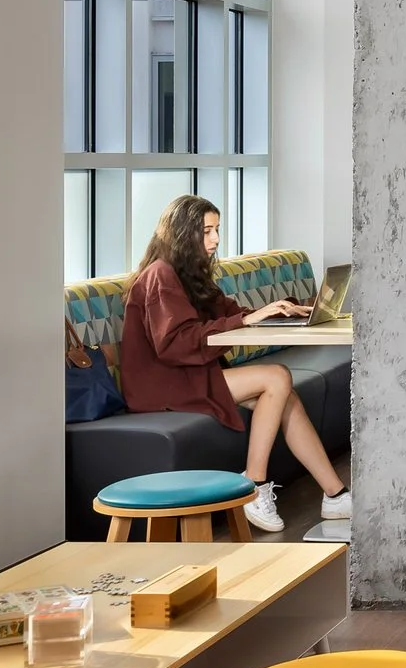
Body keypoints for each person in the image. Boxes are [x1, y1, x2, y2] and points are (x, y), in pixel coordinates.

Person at [120, 194, 352, 531]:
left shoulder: (189, 273)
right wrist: (246, 321)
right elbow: (174, 344)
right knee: (277, 376)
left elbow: (229, 314)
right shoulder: (160, 275)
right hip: (163, 385)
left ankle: (335, 495)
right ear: (183, 234)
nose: (215, 239)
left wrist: (284, 310)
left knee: (286, 395)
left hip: (191, 374)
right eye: (206, 231)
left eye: (216, 230)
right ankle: (254, 485)